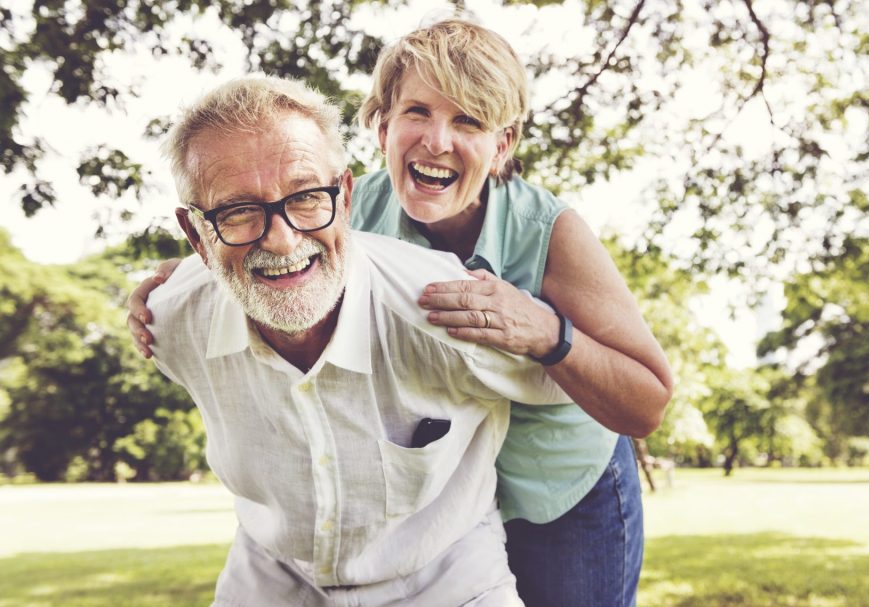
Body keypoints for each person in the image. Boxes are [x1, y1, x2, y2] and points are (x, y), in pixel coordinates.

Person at [129, 18, 674, 606]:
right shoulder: (341, 208)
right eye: (418, 112)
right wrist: (183, 274)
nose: (437, 140)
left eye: (468, 120)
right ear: (381, 124)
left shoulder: (549, 232)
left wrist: (546, 331)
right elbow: (263, 226)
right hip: (440, 485)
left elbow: (646, 400)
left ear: (503, 144)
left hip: (556, 482)